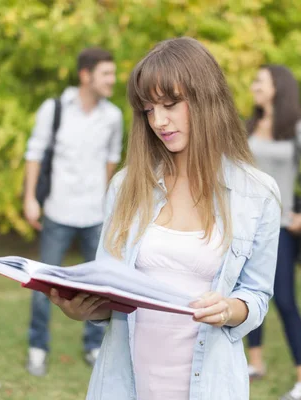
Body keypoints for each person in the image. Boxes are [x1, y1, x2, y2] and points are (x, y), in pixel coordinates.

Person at [46, 37, 282, 400]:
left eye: (170, 104)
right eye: (148, 109)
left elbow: (256, 295)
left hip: (210, 385)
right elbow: (109, 287)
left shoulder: (258, 193)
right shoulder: (126, 186)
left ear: (206, 98)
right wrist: (84, 309)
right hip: (124, 384)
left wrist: (228, 308)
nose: (158, 121)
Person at [23, 47, 123, 375]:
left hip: (96, 215)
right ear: (86, 75)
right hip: (57, 211)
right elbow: (35, 154)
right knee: (42, 284)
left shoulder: (113, 117)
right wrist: (29, 198)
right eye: (106, 74)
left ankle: (94, 345)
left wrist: (108, 204)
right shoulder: (53, 109)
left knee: (98, 286)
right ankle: (37, 346)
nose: (113, 80)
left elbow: (112, 159)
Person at [245, 65, 301, 399]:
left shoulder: (299, 129)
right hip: (246, 227)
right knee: (245, 292)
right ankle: (255, 362)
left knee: (284, 299)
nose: (253, 86)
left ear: (278, 87)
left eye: (260, 81)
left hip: (281, 228)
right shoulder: (249, 126)